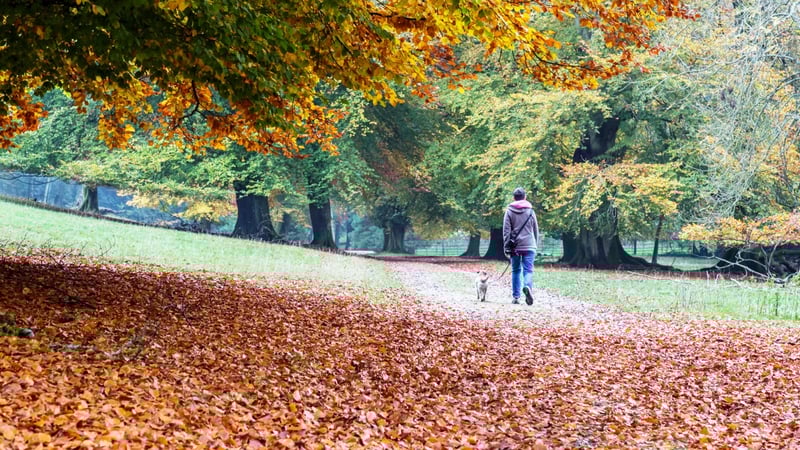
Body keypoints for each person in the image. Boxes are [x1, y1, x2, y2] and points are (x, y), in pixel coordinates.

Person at [502, 187, 539, 305]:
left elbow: (506, 231)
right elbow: (535, 230)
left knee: (516, 270)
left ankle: (516, 297)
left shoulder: (509, 211)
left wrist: (506, 246)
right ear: (525, 197)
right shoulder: (531, 211)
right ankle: (527, 287)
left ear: (514, 198)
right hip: (529, 245)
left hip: (515, 247)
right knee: (528, 270)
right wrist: (535, 244)